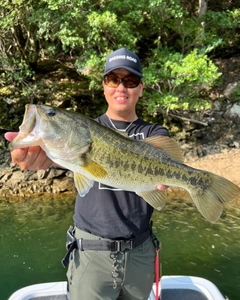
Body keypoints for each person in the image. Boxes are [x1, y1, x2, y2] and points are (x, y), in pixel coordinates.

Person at [5, 48, 169, 300]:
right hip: (90, 255)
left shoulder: (153, 134)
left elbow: (163, 163)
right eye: (113, 80)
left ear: (141, 88)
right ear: (104, 86)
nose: (121, 88)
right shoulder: (84, 131)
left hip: (140, 255)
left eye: (130, 81)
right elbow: (58, 157)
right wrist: (33, 156)